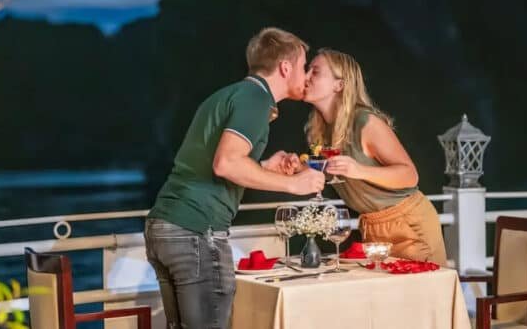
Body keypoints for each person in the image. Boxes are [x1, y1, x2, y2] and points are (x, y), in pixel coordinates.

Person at [144, 27, 325, 328]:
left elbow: (217, 161)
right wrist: (293, 184)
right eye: (304, 66)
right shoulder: (255, 99)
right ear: (285, 67)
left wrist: (265, 166)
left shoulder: (231, 95)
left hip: (164, 227)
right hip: (196, 230)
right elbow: (226, 163)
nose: (306, 75)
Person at [303, 48, 447, 265]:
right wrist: (300, 168)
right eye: (307, 70)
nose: (305, 76)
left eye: (315, 72)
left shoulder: (365, 123)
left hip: (408, 224)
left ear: (339, 85)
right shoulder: (319, 131)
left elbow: (410, 175)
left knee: (423, 297)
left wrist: (359, 170)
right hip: (371, 227)